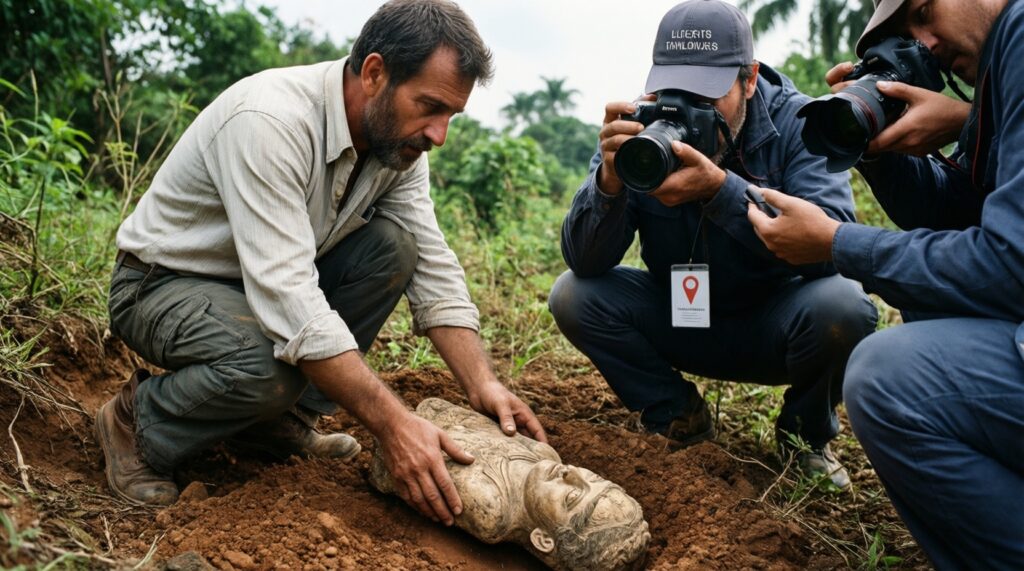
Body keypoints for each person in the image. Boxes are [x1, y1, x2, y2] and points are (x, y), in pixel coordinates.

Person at [95, 0, 547, 528]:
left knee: (395, 246)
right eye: (429, 106)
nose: (438, 134)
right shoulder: (271, 121)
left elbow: (430, 263)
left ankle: (275, 423)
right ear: (375, 73)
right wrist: (394, 426)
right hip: (160, 286)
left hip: (251, 289)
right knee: (269, 369)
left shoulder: (395, 146)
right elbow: (292, 303)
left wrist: (482, 383)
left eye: (451, 115)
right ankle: (138, 423)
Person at [548, 0, 877, 490]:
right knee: (573, 295)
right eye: (673, 89)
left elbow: (833, 242)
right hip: (682, 317)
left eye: (706, 93)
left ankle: (804, 437)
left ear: (749, 79)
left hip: (775, 322)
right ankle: (678, 413)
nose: (687, 107)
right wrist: (610, 182)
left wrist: (719, 191)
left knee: (844, 305)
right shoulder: (642, 127)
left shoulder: (799, 124)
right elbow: (585, 261)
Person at [746, 0, 1024, 567]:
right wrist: (873, 149)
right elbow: (962, 219)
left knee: (885, 376)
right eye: (906, 34)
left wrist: (837, 243)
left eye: (924, 11)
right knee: (928, 304)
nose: (926, 42)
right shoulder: (996, 74)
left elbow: (1006, 264)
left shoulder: (1019, 31)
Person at [369, 398, 650, 571]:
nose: (572, 474)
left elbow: (401, 454)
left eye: (572, 497)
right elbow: (445, 413)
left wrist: (392, 422)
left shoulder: (493, 508)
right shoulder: (545, 456)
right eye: (593, 478)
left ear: (542, 539)